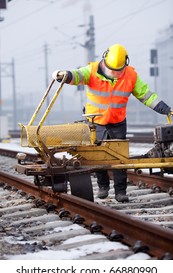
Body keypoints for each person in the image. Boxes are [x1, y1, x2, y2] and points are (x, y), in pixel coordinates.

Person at [52, 44, 172, 203]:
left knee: (120, 159)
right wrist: (65, 75)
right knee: (97, 157)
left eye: (118, 71)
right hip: (96, 123)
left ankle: (120, 192)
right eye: (111, 70)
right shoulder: (92, 70)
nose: (114, 74)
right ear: (104, 60)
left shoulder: (130, 76)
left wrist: (166, 109)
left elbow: (146, 96)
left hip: (117, 122)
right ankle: (103, 187)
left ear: (125, 64)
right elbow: (77, 75)